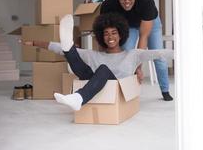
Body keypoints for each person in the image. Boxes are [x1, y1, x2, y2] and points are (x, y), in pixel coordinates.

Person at [22, 13, 173, 111]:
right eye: (106, 34)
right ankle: (69, 45)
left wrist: (185, 52)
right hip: (94, 85)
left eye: (114, 33)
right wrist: (34, 42)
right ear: (101, 36)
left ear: (121, 35)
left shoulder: (133, 55)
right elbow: (58, 49)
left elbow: (159, 53)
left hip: (117, 91)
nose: (110, 37)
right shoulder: (94, 55)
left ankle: (79, 97)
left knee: (103, 69)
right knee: (72, 55)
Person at [100, 0, 173, 101]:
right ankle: (124, 90)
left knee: (158, 57)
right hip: (129, 25)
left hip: (151, 24)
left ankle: (165, 91)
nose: (127, 1)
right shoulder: (108, 5)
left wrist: (138, 68)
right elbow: (104, 32)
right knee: (126, 52)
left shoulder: (147, 2)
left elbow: (143, 36)